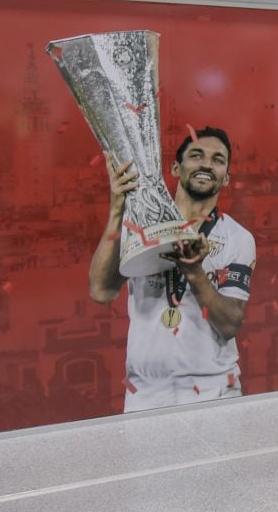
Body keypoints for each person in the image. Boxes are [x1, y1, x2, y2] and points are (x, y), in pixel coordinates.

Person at [88, 126, 256, 413]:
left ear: (226, 177)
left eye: (218, 159)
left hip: (214, 394)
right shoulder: (139, 227)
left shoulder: (237, 238)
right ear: (176, 167)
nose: (206, 164)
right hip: (146, 396)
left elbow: (230, 324)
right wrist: (118, 211)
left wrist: (194, 273)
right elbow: (101, 291)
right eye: (196, 155)